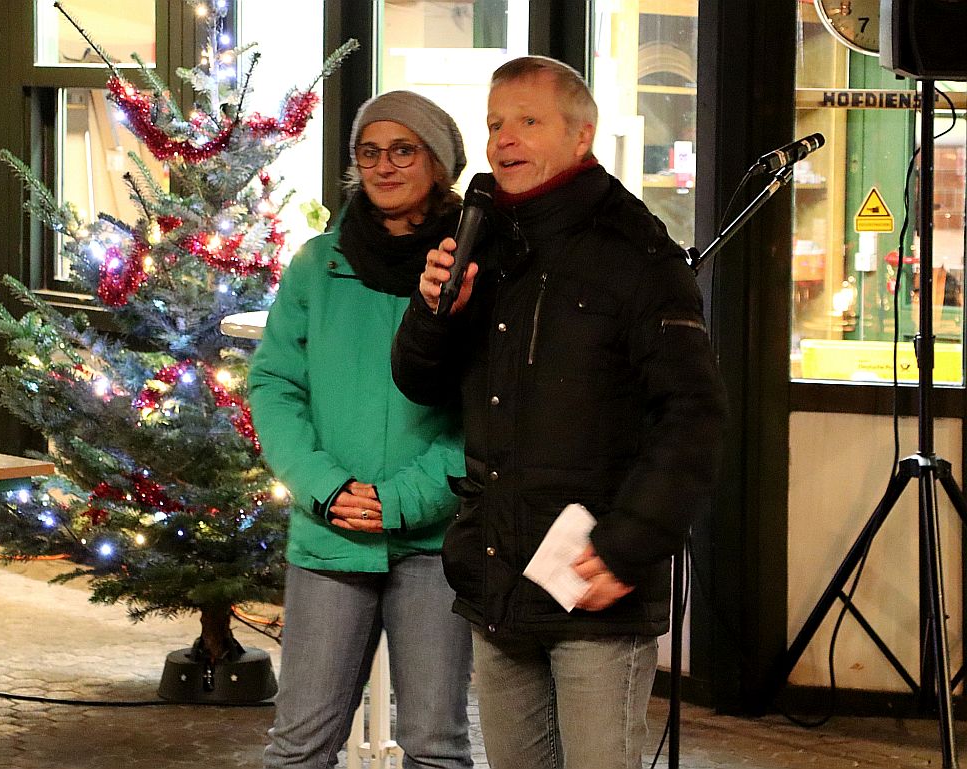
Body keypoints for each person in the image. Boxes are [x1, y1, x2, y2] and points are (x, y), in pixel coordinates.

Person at [391, 56, 728, 769]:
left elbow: (693, 414)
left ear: (582, 136)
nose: (502, 140)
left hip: (592, 582)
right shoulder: (483, 240)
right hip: (497, 576)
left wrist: (625, 545)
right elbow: (420, 383)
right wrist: (431, 314)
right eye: (493, 124)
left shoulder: (639, 255)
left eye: (527, 121)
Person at [249, 90, 474, 769]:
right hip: (329, 534)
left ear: (438, 162)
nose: (384, 165)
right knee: (299, 746)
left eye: (403, 149)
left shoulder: (472, 274)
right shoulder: (318, 265)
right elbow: (274, 386)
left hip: (435, 541)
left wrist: (403, 499)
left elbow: (485, 410)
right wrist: (326, 487)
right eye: (369, 152)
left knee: (436, 744)